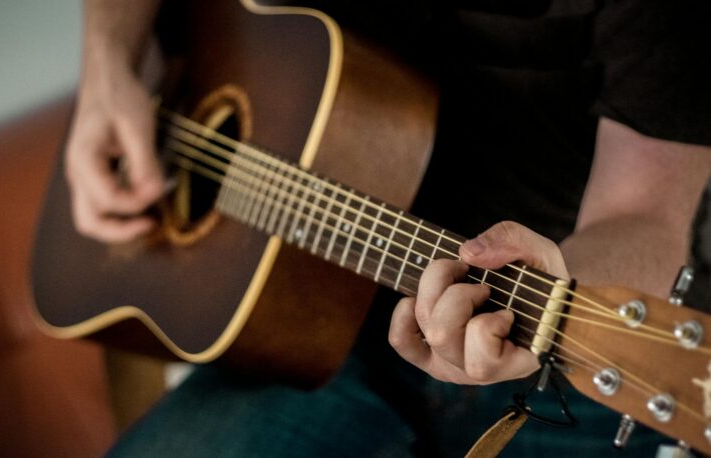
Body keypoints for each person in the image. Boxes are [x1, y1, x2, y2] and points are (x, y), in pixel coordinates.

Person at [66, 0, 711, 456]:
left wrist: (559, 287)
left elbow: (650, 211)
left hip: (558, 363)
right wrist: (107, 64)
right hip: (314, 332)